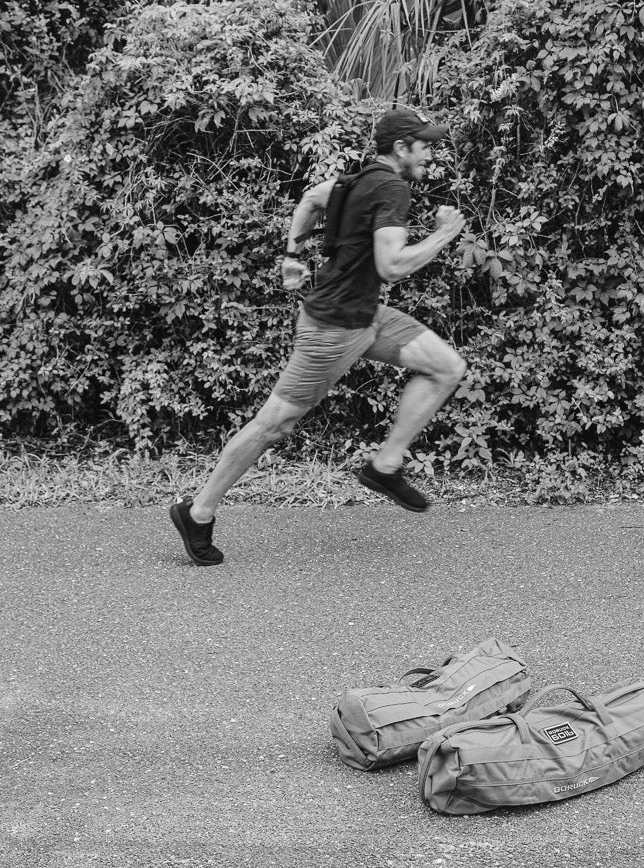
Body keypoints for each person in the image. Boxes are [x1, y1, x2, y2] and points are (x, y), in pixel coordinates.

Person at [169, 107, 468, 566]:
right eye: (425, 144)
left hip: (366, 317)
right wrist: (444, 234)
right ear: (401, 148)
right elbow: (392, 266)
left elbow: (310, 199)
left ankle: (384, 466)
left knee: (447, 367)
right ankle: (198, 510)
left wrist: (294, 254)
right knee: (273, 425)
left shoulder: (352, 182)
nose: (430, 152)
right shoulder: (391, 186)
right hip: (332, 329)